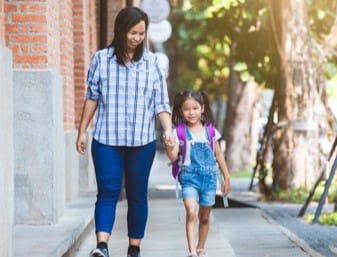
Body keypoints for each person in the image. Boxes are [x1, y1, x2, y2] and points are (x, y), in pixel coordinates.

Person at [75, 6, 173, 257]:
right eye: (133, 33)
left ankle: (134, 249)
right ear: (121, 31)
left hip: (142, 141)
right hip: (107, 140)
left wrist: (169, 131)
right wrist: (82, 130)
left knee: (138, 194)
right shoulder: (101, 59)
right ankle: (102, 247)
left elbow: (161, 104)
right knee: (107, 191)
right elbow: (92, 97)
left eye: (142, 33)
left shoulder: (152, 63)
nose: (138, 38)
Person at [164, 90, 231, 257]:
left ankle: (201, 247)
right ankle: (192, 252)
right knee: (191, 210)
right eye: (186, 109)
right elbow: (173, 157)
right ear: (180, 111)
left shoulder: (210, 131)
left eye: (195, 108)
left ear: (202, 109)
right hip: (189, 178)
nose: (191, 112)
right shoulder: (178, 132)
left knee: (205, 217)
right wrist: (169, 146)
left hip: (209, 178)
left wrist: (226, 177)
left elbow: (218, 155)